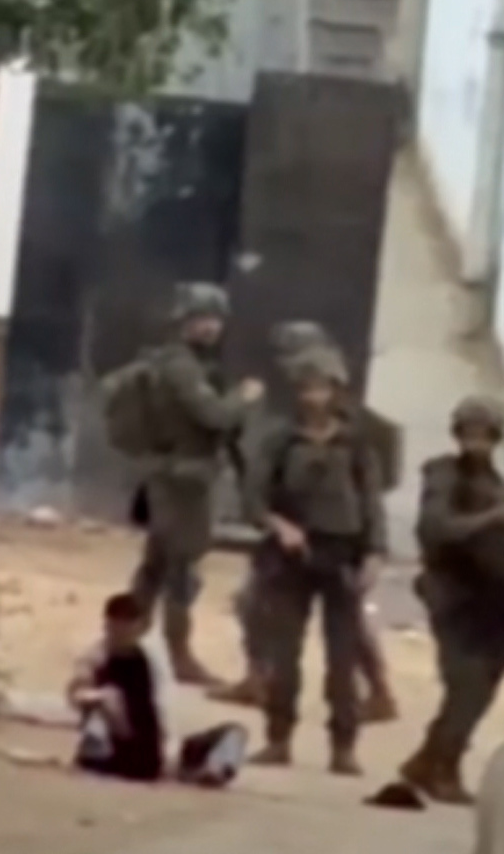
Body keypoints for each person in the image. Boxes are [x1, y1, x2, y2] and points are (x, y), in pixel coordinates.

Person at [211, 321, 401, 724]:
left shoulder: (356, 426)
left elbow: (376, 480)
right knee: (257, 604)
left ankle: (376, 690)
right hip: (289, 528)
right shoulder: (290, 420)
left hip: (334, 535)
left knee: (342, 619)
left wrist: (364, 534)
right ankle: (260, 677)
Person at [242, 346, 385, 775]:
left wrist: (375, 553)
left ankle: (343, 745)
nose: (314, 397)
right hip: (290, 557)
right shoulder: (279, 439)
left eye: (323, 388)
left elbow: (371, 501)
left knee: (342, 659)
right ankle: (278, 737)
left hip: (341, 554)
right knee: (283, 653)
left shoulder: (356, 442)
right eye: (306, 388)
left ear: (337, 392)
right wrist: (278, 525)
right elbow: (253, 498)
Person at [124, 283, 264, 686]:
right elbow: (214, 416)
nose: (210, 327)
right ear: (182, 320)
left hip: (179, 478)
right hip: (182, 482)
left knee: (156, 566)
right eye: (202, 318)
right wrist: (244, 397)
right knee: (181, 569)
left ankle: (127, 637)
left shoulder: (191, 364)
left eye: (215, 319)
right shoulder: (179, 366)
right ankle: (178, 654)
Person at [398, 396, 504, 803]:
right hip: (453, 593)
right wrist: (492, 519)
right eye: (470, 434)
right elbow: (436, 529)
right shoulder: (444, 475)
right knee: (467, 684)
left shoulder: (494, 481)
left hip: (490, 597)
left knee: (485, 680)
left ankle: (427, 759)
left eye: (485, 435)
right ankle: (443, 766)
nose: (477, 443)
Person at [68, 593, 248, 787]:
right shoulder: (98, 655)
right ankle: (105, 756)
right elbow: (78, 688)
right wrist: (98, 698)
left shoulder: (152, 655)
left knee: (235, 732)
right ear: (107, 626)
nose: (121, 633)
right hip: (122, 750)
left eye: (127, 626)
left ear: (139, 627)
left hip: (158, 750)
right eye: (116, 626)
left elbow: (164, 710)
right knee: (104, 703)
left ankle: (213, 771)